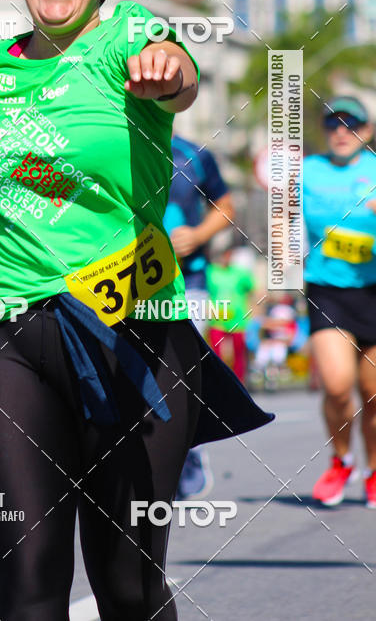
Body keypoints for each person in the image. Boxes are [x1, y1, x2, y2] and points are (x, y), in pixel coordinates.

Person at [0, 0, 273, 620]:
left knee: (128, 585)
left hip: (133, 334)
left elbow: (175, 73)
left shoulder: (128, 37)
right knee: (28, 581)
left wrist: (170, 73)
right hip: (1, 332)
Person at [303, 95, 376, 508]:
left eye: (351, 125)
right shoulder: (308, 172)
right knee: (336, 385)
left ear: (365, 132)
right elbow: (280, 217)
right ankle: (341, 459)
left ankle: (373, 471)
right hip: (327, 289)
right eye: (333, 124)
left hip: (373, 290)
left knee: (373, 394)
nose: (341, 132)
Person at [164, 137, 235, 498]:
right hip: (125, 282)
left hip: (188, 281)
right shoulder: (110, 137)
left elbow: (225, 205)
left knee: (179, 370)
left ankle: (191, 456)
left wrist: (199, 235)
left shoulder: (193, 153)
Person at [206, 247, 256, 383]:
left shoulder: (240, 274)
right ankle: (218, 380)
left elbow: (252, 290)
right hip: (218, 318)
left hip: (237, 319)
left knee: (238, 353)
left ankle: (239, 381)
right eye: (224, 255)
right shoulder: (211, 271)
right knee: (216, 352)